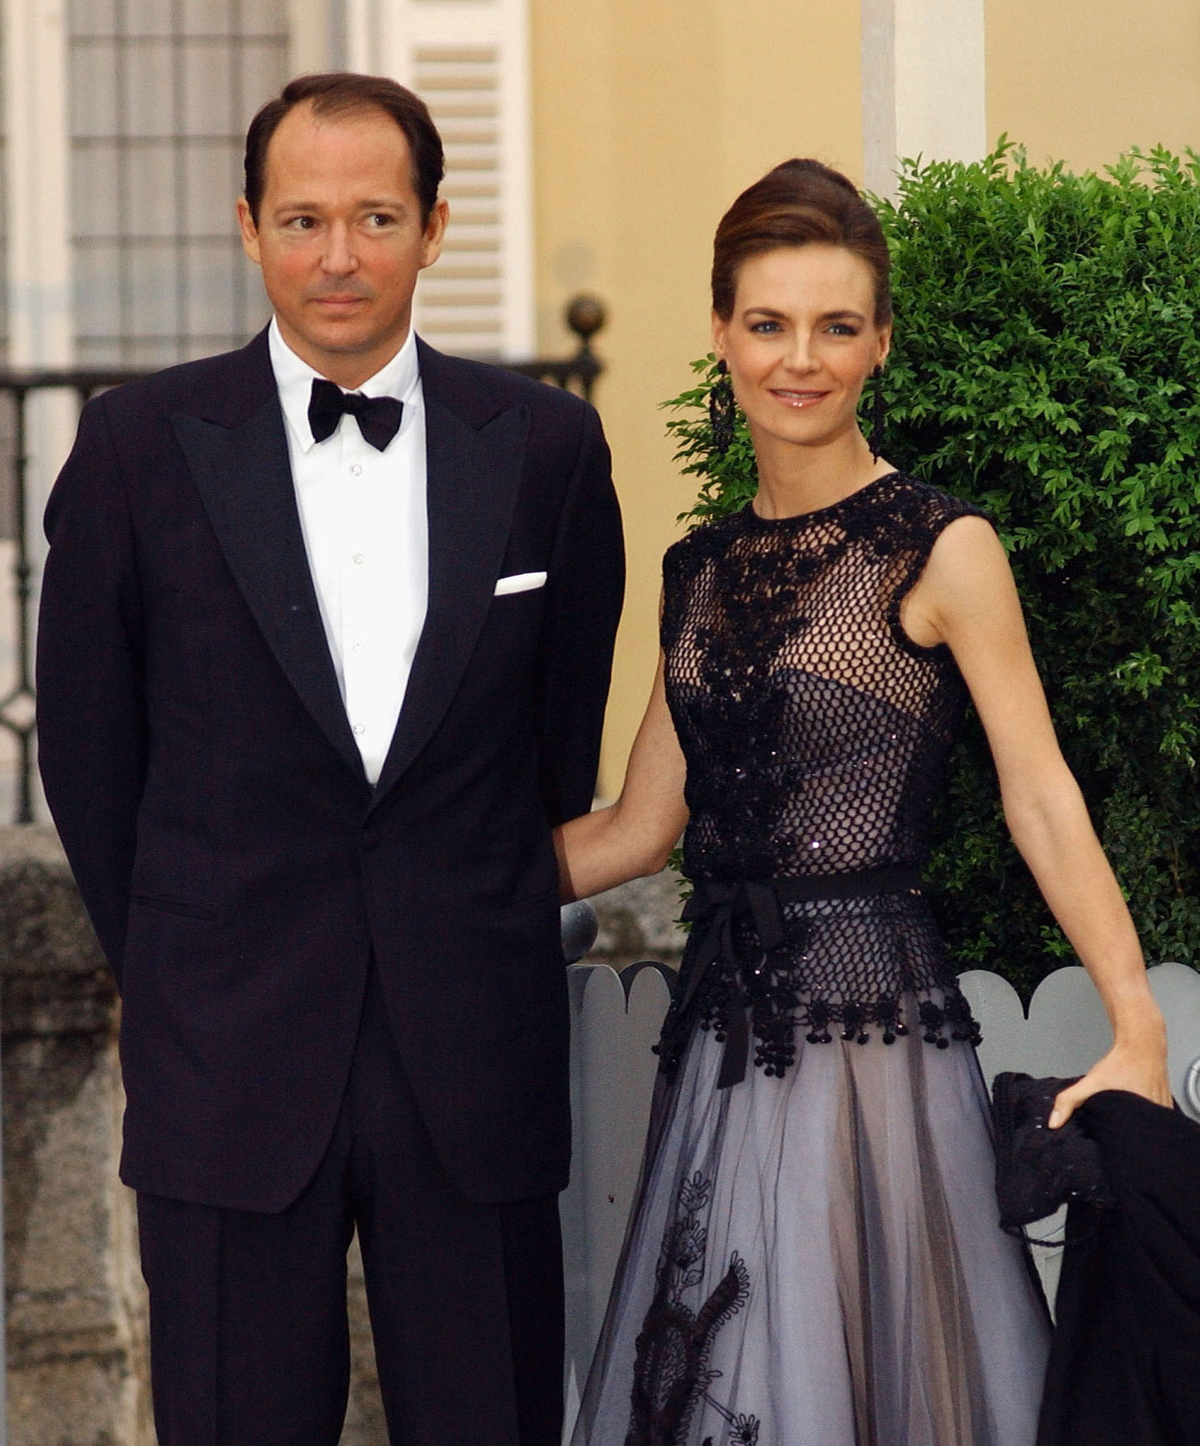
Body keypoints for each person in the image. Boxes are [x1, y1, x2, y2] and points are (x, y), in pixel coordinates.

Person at [36, 71, 623, 1446]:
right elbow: (88, 756)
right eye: (303, 219)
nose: (339, 255)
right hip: (225, 1049)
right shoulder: (133, 449)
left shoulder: (545, 446)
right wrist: (174, 966)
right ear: (248, 228)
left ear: (434, 227)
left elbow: (558, 742)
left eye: (374, 216)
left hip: (472, 1050)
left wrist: (475, 912)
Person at [555, 159, 1170, 1446]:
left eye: (837, 326)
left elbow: (1040, 793)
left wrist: (1135, 1025)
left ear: (881, 342)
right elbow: (635, 827)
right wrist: (404, 866)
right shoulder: (699, 572)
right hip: (720, 1042)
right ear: (721, 332)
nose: (802, 360)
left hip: (878, 1047)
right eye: (769, 324)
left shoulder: (942, 548)